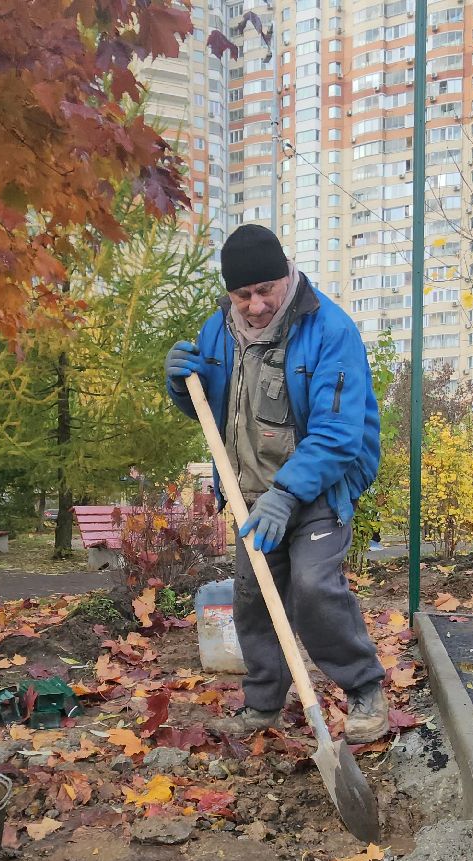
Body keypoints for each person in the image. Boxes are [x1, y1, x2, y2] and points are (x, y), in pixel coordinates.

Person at [162, 225, 390, 743]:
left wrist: (287, 495)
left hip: (317, 487)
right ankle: (263, 704)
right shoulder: (217, 330)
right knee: (251, 596)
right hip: (250, 493)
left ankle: (364, 690)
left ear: (287, 273)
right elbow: (212, 411)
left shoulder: (330, 330)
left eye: (266, 289)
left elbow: (338, 434)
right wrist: (180, 386)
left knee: (313, 587)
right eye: (242, 294)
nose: (256, 305)